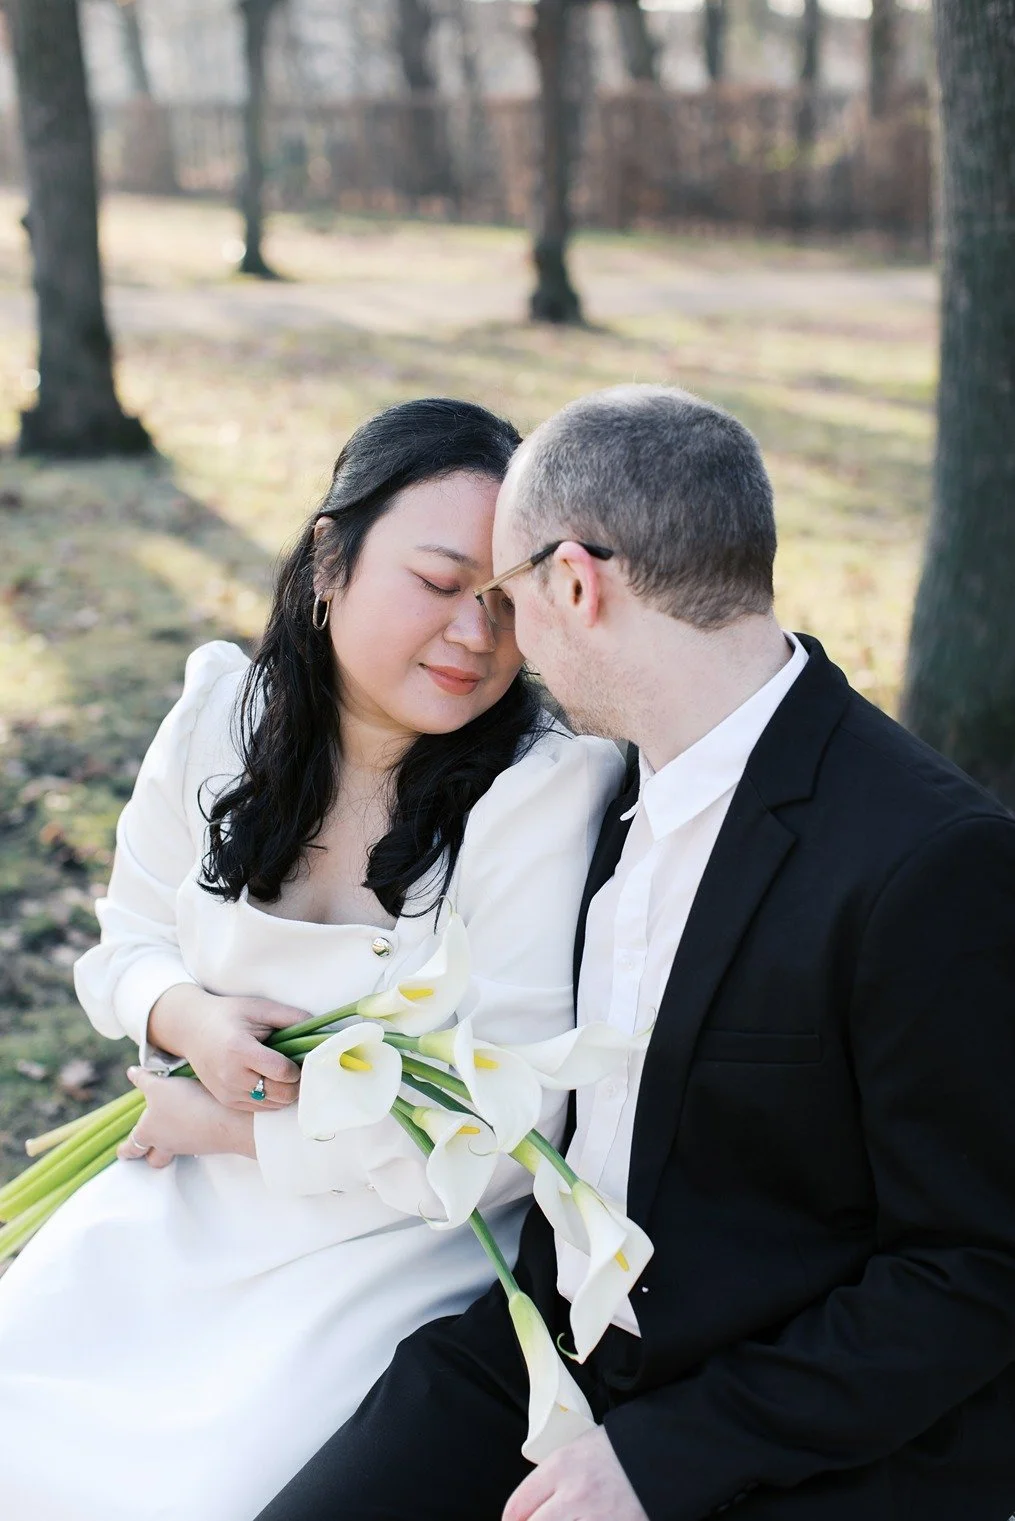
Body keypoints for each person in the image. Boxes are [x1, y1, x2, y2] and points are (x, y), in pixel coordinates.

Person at [257, 385, 1015, 1521]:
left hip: (796, 1428)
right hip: (554, 1341)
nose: (496, 638)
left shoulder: (929, 861)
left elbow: (976, 1270)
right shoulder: (598, 790)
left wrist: (667, 1459)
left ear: (574, 583)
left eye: (508, 596)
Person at [0, 398, 624, 1521]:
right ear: (330, 559)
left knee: (195, 1493)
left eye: (502, 602)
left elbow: (507, 1136)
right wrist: (182, 1018)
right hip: (176, 1199)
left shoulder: (539, 792)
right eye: (438, 585)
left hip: (385, 1247)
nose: (474, 637)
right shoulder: (219, 716)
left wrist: (233, 1127)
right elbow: (130, 937)